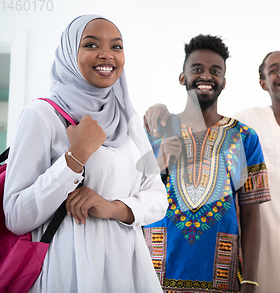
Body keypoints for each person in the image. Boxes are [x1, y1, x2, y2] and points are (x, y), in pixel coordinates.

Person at [3, 15, 168, 293]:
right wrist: (73, 159)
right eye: (91, 45)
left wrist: (113, 207)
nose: (107, 54)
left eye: (116, 46)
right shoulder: (42, 115)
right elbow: (16, 216)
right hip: (68, 268)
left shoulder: (127, 118)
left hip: (127, 268)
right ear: (70, 53)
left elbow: (158, 198)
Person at [143, 34, 271, 293]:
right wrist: (158, 165)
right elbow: (131, 195)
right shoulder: (154, 131)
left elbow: (250, 213)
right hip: (155, 274)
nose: (206, 76)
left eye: (215, 71)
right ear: (183, 77)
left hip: (221, 278)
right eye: (197, 69)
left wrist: (250, 281)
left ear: (224, 81)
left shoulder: (244, 137)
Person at [232, 51, 280, 292]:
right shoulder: (248, 121)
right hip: (266, 255)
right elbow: (205, 127)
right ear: (263, 83)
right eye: (273, 70)